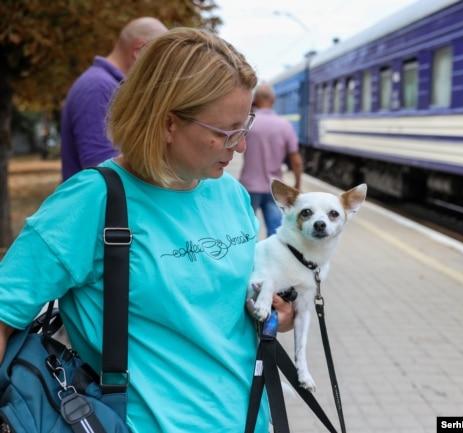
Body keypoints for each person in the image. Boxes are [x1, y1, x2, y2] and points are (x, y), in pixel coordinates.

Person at [0, 28, 294, 433]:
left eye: (245, 127)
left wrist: (270, 309)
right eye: (226, 133)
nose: (240, 146)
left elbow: (216, 306)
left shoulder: (232, 196)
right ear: (168, 122)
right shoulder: (90, 203)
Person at [60, 17, 168, 181]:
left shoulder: (108, 86)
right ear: (139, 50)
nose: (160, 69)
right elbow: (102, 166)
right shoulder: (98, 87)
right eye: (159, 59)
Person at [239, 83, 303, 236]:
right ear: (273, 100)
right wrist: (297, 184)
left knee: (245, 232)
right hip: (275, 188)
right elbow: (296, 160)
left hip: (249, 186)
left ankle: (249, 259)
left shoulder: (248, 122)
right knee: (275, 232)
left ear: (255, 99)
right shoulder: (285, 125)